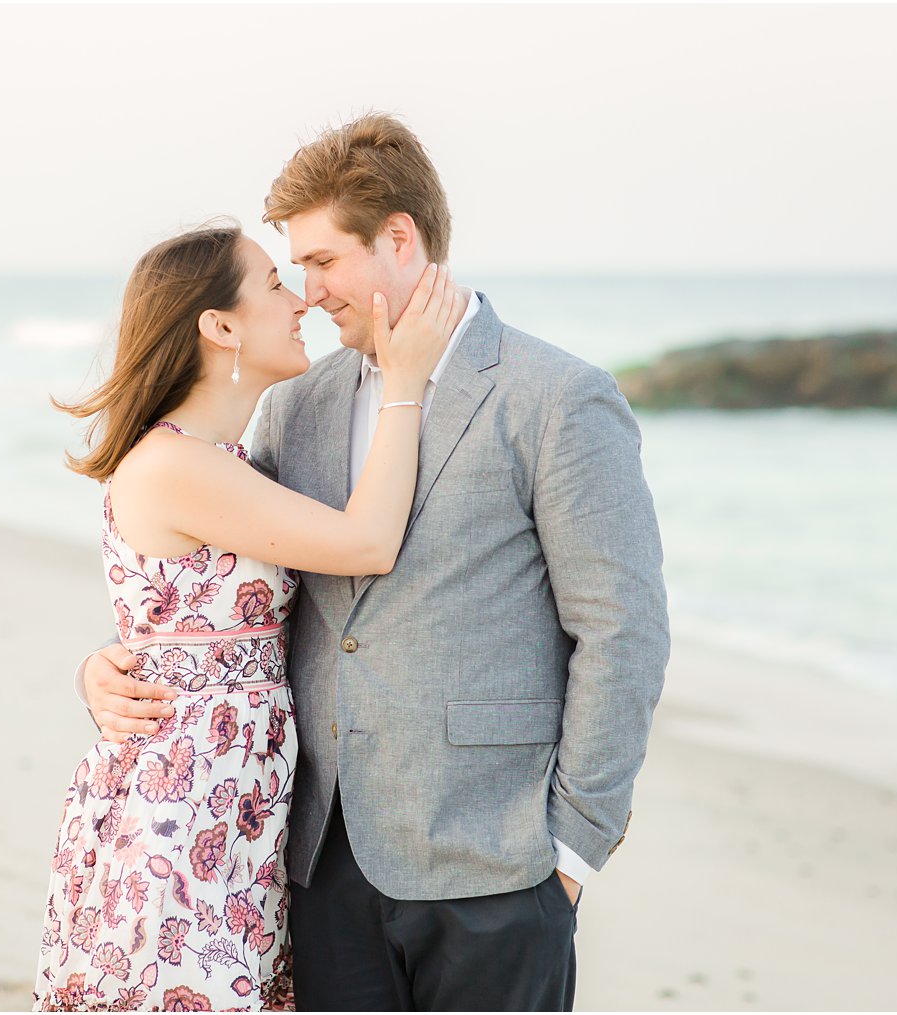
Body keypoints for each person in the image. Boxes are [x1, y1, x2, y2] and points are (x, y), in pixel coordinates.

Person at [79, 114, 671, 1011]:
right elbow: (221, 583)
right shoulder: (296, 406)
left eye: (321, 262)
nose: (308, 294)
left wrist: (572, 853)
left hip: (494, 868)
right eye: (293, 270)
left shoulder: (556, 397)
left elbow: (622, 631)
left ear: (399, 238)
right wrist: (105, 666)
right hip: (314, 863)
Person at [34, 221, 464, 1011]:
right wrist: (404, 381)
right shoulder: (174, 463)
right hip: (180, 815)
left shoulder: (227, 459)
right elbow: (367, 542)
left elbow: (182, 619)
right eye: (274, 284)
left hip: (235, 810)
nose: (300, 299)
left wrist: (100, 663)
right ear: (220, 326)